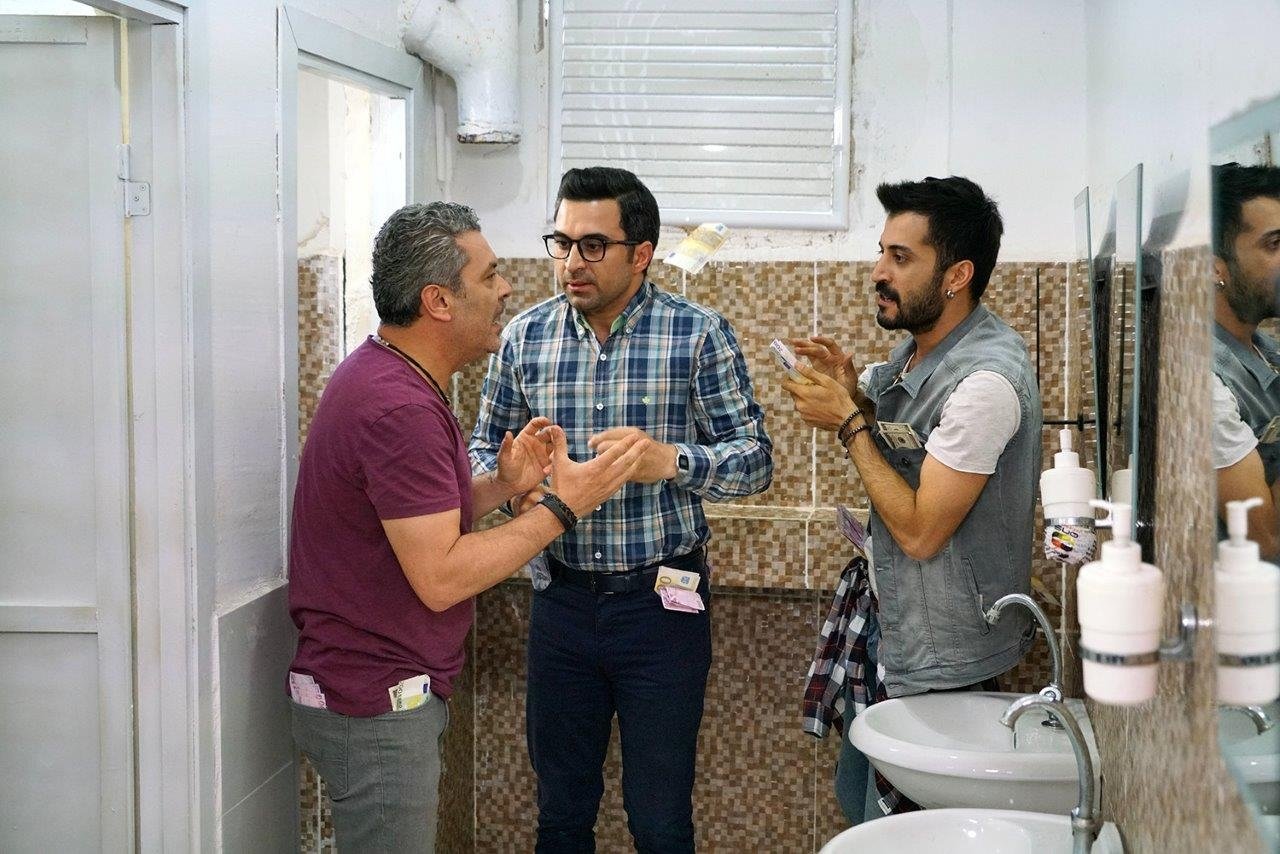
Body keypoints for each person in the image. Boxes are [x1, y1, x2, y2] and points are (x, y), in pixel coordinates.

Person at [286, 201, 650, 851]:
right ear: (439, 301)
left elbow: (406, 524)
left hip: (369, 692)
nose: (506, 288)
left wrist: (502, 487)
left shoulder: (388, 376)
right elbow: (441, 577)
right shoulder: (398, 408)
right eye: (488, 276)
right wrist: (563, 507)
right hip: (374, 702)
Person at [469, 166, 773, 852]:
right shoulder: (524, 337)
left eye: (592, 245)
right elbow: (481, 451)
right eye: (561, 242)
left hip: (662, 606)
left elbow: (756, 460)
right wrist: (516, 486)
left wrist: (672, 460)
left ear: (641, 254)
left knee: (660, 821)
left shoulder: (697, 334)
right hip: (561, 603)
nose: (571, 262)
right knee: (561, 815)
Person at [784, 176, 1041, 822]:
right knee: (856, 797)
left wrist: (849, 423)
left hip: (946, 655)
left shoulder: (985, 383)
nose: (878, 272)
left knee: (903, 823)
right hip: (896, 628)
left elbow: (923, 531)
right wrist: (856, 395)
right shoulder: (917, 354)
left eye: (900, 258)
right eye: (882, 252)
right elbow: (912, 448)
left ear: (957, 276)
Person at [1211, 162, 1280, 557]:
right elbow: (1266, 539)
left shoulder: (1263, 349)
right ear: (1214, 268)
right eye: (1274, 244)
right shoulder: (1203, 385)